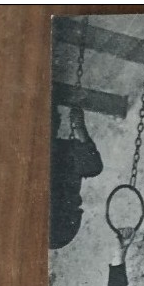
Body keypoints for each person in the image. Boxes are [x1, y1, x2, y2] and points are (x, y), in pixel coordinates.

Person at [51, 106, 103, 249]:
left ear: (57, 122)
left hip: (63, 222)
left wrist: (79, 128)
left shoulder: (66, 149)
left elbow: (94, 167)